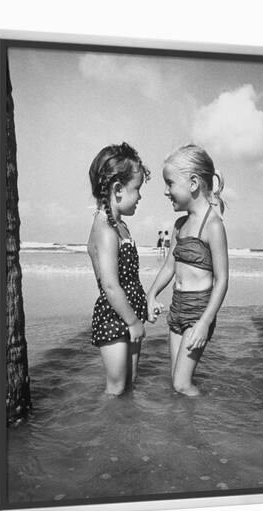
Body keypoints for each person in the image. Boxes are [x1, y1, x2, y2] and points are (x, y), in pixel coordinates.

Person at [147, 144, 228, 396]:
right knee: (175, 381)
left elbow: (222, 280)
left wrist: (205, 322)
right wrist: (151, 295)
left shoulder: (212, 225)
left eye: (170, 183)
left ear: (193, 183)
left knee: (182, 384)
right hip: (177, 308)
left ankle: (206, 422)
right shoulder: (180, 225)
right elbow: (169, 266)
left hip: (198, 311)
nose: (166, 191)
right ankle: (182, 427)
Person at [88, 142, 150, 395]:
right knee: (115, 387)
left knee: (130, 381)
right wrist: (133, 321)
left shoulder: (120, 226)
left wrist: (144, 306)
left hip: (130, 311)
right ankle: (107, 430)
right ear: (117, 189)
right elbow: (111, 285)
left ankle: (127, 431)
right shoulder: (104, 229)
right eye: (137, 189)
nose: (140, 196)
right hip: (116, 316)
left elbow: (129, 278)